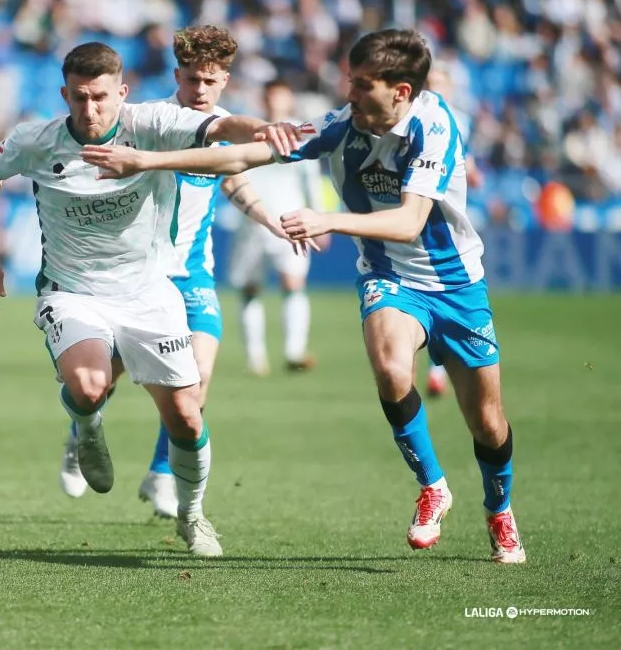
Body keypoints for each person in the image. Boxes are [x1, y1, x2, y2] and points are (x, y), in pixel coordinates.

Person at [80, 29, 526, 564]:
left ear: (400, 92)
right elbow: (242, 156)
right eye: (349, 81)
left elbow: (410, 222)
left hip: (457, 285)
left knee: (489, 424)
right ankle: (433, 484)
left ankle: (499, 510)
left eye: (362, 85)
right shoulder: (342, 124)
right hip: (390, 279)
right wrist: (145, 162)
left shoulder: (434, 126)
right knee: (390, 369)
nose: (349, 93)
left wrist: (327, 220)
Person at [0, 41, 298, 557]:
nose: (90, 109)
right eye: (79, 98)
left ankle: (192, 516)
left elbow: (224, 133)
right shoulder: (36, 140)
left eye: (101, 97)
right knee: (88, 384)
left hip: (150, 293)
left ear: (121, 92)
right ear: (65, 94)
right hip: (72, 292)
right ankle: (85, 429)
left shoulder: (151, 124)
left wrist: (264, 130)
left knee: (188, 415)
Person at [57, 26, 296, 519]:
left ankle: (161, 475)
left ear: (225, 80)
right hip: (137, 277)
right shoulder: (150, 122)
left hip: (191, 276)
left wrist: (270, 218)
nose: (200, 90)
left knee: (197, 380)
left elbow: (233, 182)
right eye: (191, 80)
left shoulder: (223, 126)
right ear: (176, 76)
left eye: (210, 81)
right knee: (103, 377)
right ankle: (81, 431)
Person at [228, 78, 327, 376]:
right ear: (264, 99)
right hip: (252, 222)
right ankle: (255, 357)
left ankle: (294, 352)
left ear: (289, 100)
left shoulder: (300, 132)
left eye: (281, 97)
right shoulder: (250, 132)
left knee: (292, 283)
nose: (275, 103)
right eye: (270, 97)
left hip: (291, 220)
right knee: (249, 289)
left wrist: (321, 219)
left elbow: (311, 179)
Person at [423, 61, 484, 398]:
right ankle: (439, 368)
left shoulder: (459, 120)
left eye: (440, 83)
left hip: (451, 214)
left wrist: (472, 174)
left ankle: (442, 366)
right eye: (430, 82)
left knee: (445, 288)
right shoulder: (418, 117)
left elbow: (467, 160)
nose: (435, 88)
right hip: (423, 211)